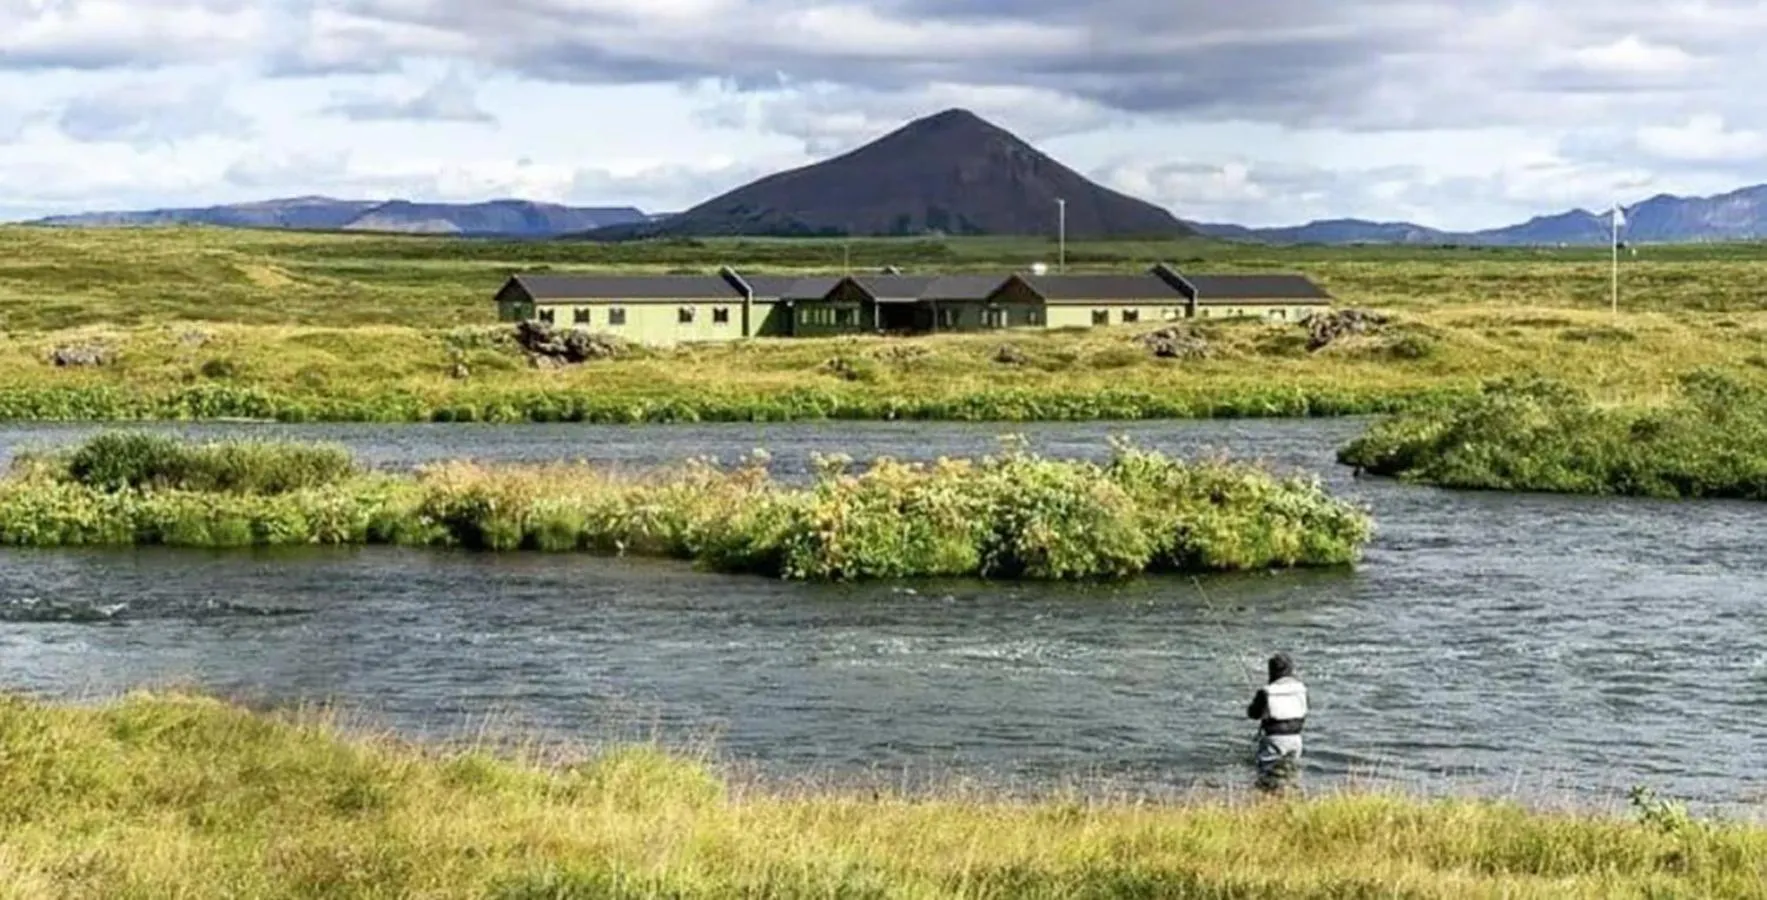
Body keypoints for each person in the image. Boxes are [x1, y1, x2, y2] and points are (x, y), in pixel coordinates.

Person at [1245, 652, 1307, 792]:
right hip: (1296, 739)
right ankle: (1291, 796)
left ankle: (1267, 798)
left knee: (1266, 776)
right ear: (1290, 670)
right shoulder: (1301, 689)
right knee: (1291, 773)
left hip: (1274, 740)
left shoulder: (1266, 691)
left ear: (1271, 670)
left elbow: (1253, 714)